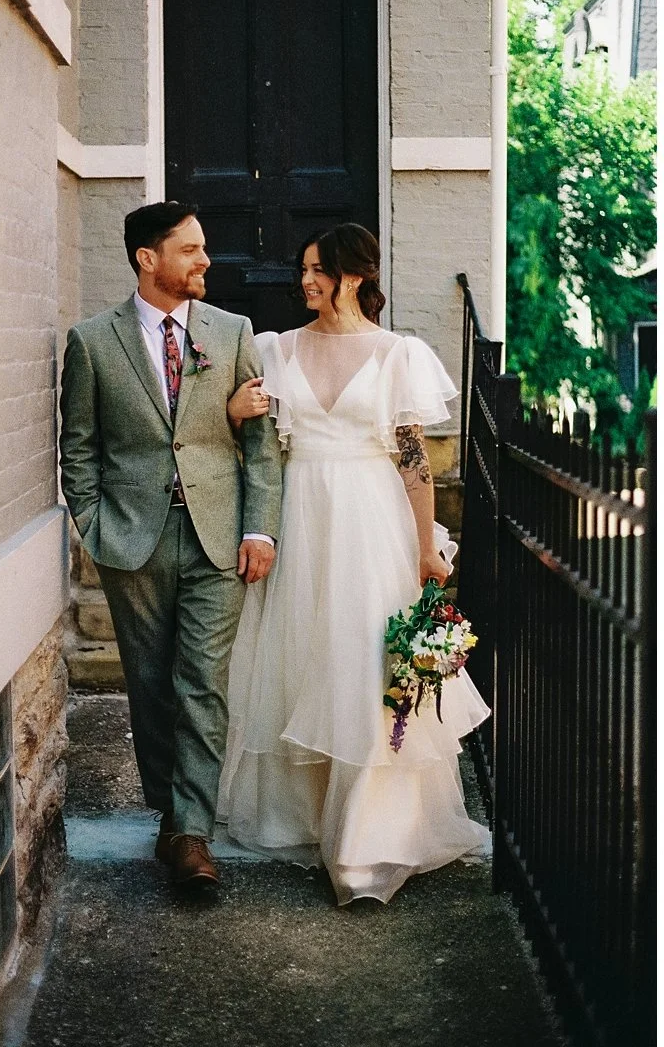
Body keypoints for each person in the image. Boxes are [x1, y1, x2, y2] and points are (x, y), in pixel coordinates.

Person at [218, 223, 490, 905]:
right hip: (300, 520)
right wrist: (233, 412)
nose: (306, 280)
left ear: (356, 275)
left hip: (371, 525)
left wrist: (426, 547)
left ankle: (365, 843)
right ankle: (306, 816)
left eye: (320, 269)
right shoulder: (276, 349)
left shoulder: (398, 355)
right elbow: (251, 449)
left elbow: (414, 462)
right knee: (305, 664)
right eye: (305, 268)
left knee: (368, 671)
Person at [59, 201, 282, 886]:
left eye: (203, 247)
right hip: (134, 539)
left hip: (218, 538)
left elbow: (260, 445)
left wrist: (259, 526)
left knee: (202, 682)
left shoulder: (232, 331)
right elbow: (78, 448)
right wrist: (95, 525)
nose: (205, 260)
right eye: (190, 249)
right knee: (152, 684)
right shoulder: (92, 342)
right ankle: (169, 813)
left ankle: (191, 832)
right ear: (147, 258)